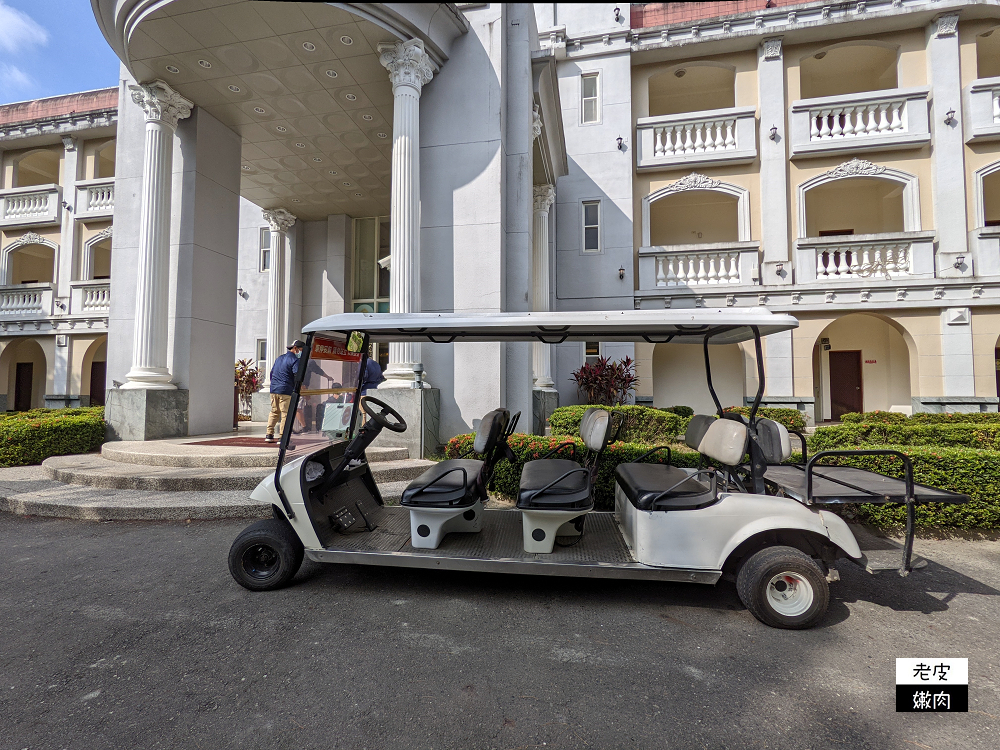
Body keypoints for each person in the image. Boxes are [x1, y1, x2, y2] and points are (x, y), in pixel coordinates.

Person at [265, 340, 304, 443]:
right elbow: (297, 376)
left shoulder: (279, 358)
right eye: (301, 349)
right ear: (295, 348)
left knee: (274, 411)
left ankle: (269, 434)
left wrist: (274, 385)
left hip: (274, 389)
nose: (301, 352)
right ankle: (282, 437)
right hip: (286, 390)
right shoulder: (295, 360)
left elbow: (271, 373)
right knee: (285, 413)